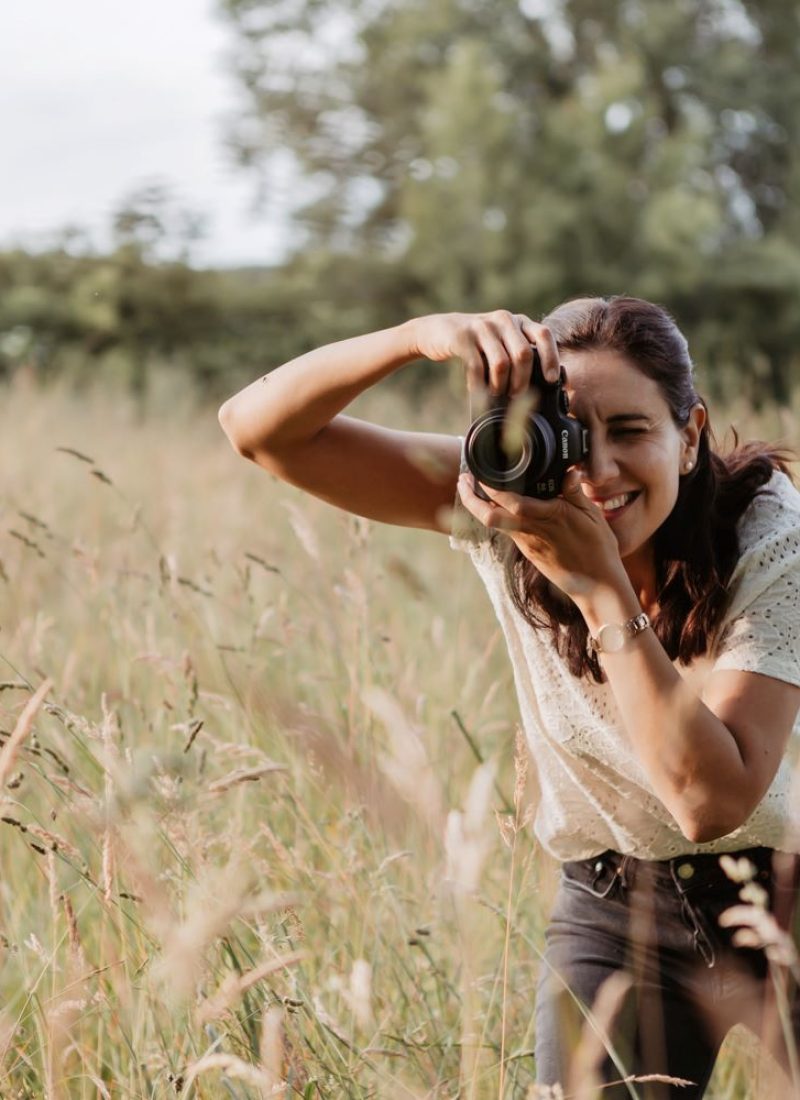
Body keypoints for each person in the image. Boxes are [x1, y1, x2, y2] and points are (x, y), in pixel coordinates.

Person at [218, 297, 800, 1098]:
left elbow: (710, 800)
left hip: (784, 887)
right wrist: (413, 337)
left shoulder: (768, 533)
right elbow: (257, 430)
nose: (594, 473)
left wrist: (601, 594)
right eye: (562, 436)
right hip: (613, 906)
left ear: (691, 433)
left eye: (630, 431)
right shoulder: (505, 507)